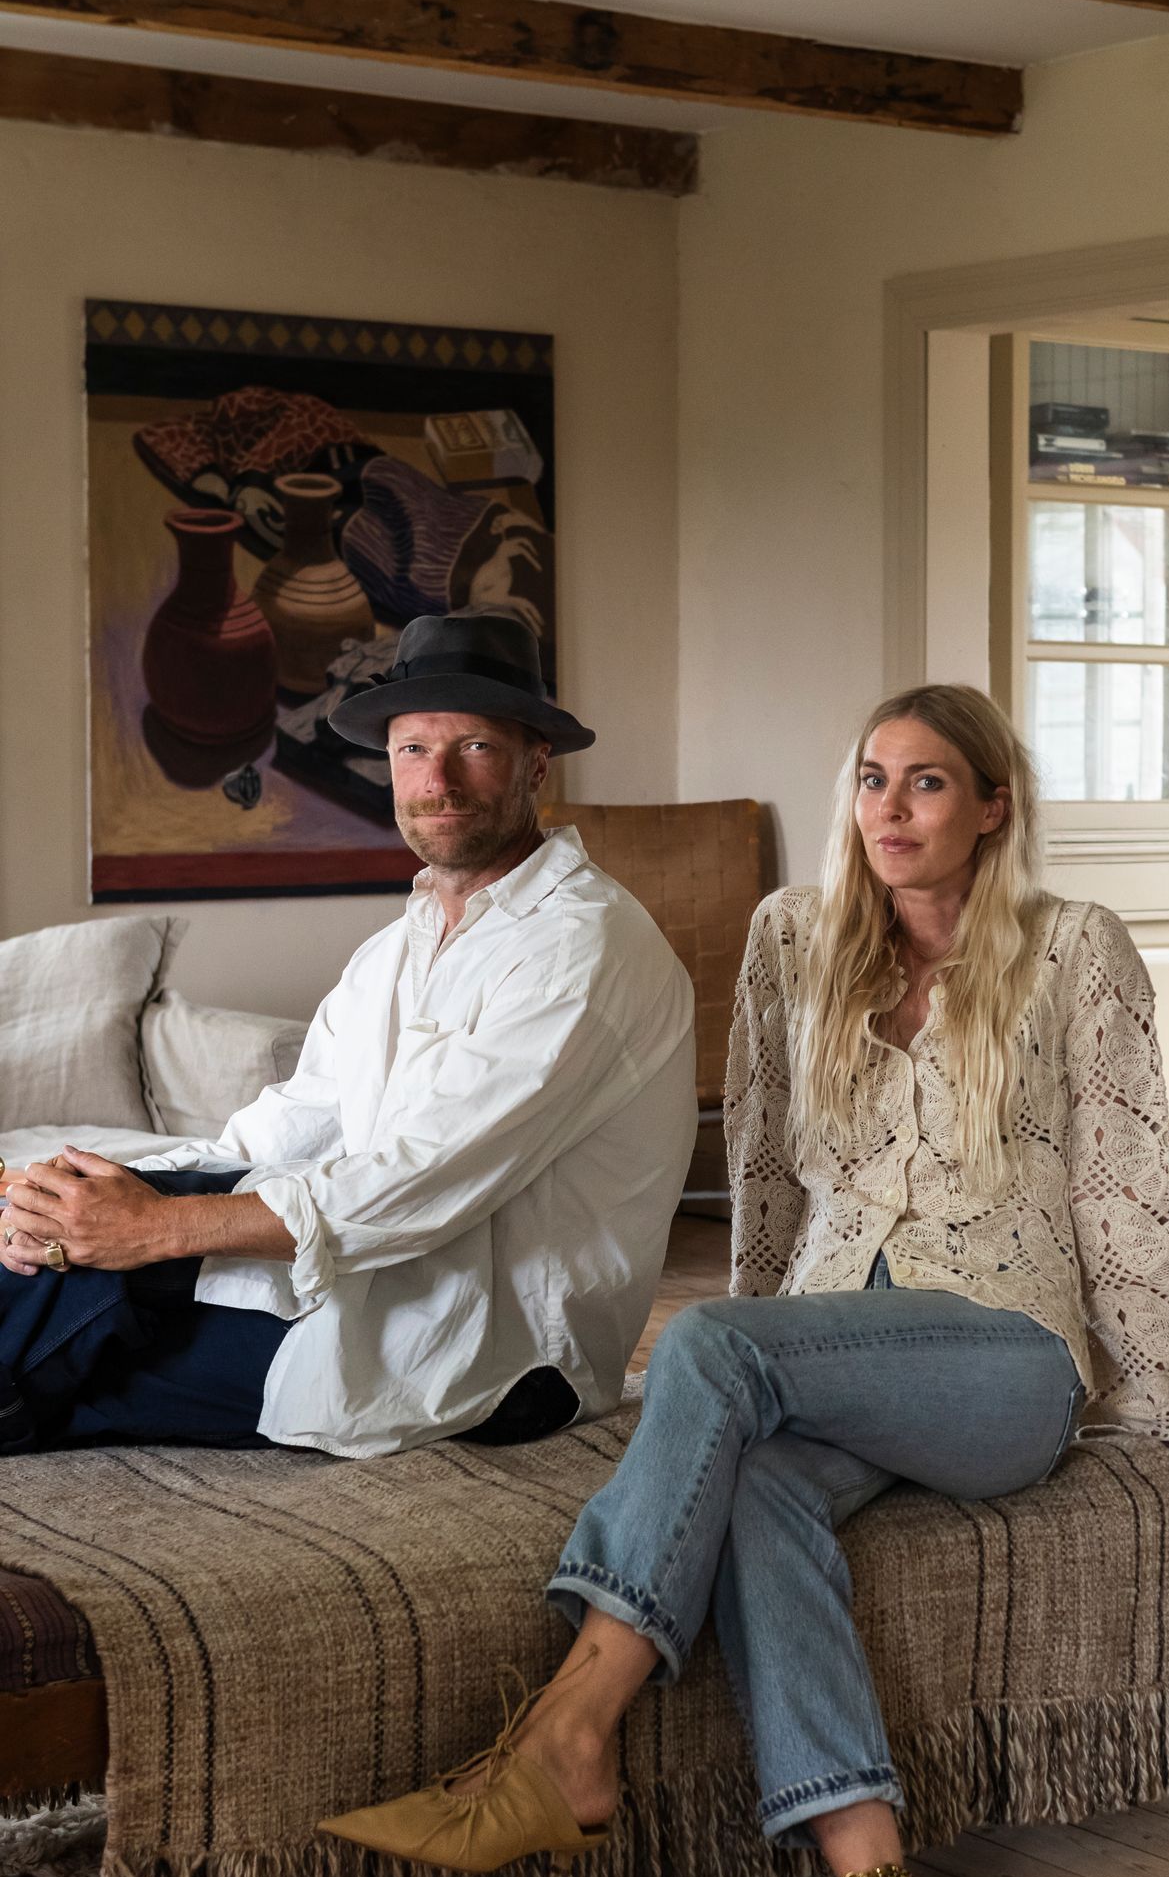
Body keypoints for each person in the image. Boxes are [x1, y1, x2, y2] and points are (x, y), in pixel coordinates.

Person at [318, 682, 1169, 1877]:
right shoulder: (792, 939)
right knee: (760, 1486)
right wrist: (748, 1385)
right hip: (837, 1340)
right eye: (872, 781)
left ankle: (567, 1735)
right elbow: (769, 1178)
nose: (892, 812)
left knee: (709, 1349)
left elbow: (1121, 1178)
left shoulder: (1076, 950)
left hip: (1005, 1361)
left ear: (994, 806)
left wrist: (1155, 1394)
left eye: (929, 785)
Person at [0, 611, 696, 1459]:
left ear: (534, 763)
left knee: (80, 1319)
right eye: (411, 750)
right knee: (56, 1262)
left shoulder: (582, 946)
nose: (436, 778)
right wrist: (93, 1194)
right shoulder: (393, 952)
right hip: (370, 1282)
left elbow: (419, 1182)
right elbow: (283, 1127)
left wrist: (152, 1229)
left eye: (472, 746)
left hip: (489, 1349)